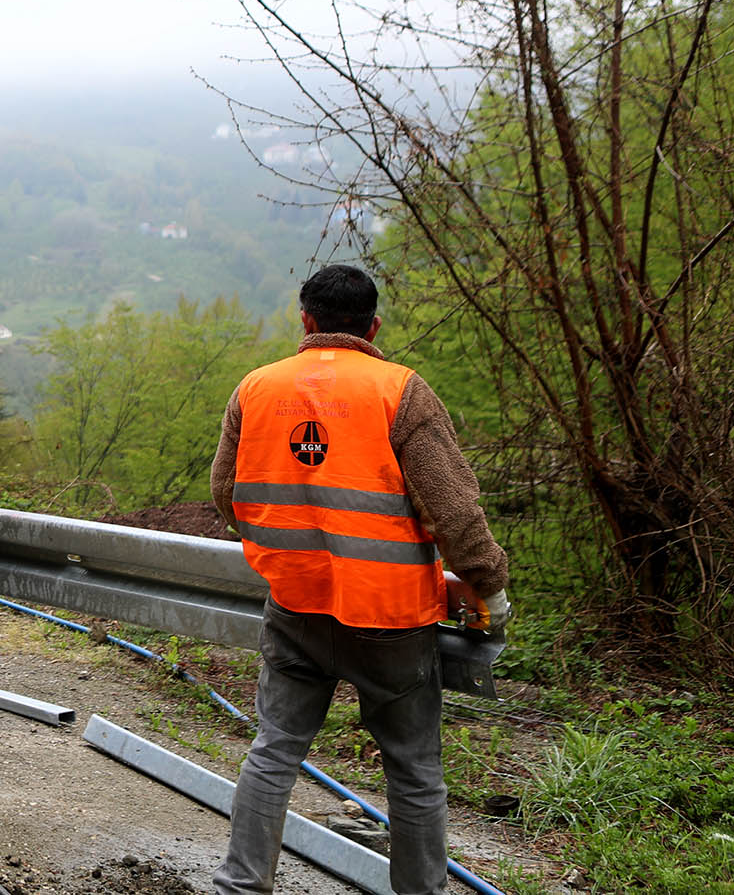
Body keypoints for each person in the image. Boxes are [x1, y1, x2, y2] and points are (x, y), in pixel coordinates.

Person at [210, 264, 510, 895]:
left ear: (306, 322)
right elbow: (454, 509)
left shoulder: (256, 389)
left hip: (295, 603)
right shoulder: (400, 391)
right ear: (373, 327)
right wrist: (487, 586)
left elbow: (225, 493)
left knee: (274, 751)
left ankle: (240, 886)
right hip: (391, 617)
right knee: (413, 771)